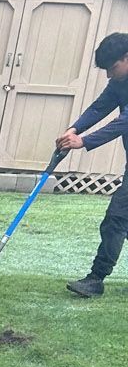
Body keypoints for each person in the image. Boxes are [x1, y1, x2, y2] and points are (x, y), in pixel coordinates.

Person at [59, 32, 128, 296]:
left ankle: (95, 279)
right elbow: (101, 108)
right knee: (122, 222)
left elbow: (124, 122)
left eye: (113, 68)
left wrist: (84, 142)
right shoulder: (120, 82)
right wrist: (73, 129)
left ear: (127, 57)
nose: (110, 75)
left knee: (116, 219)